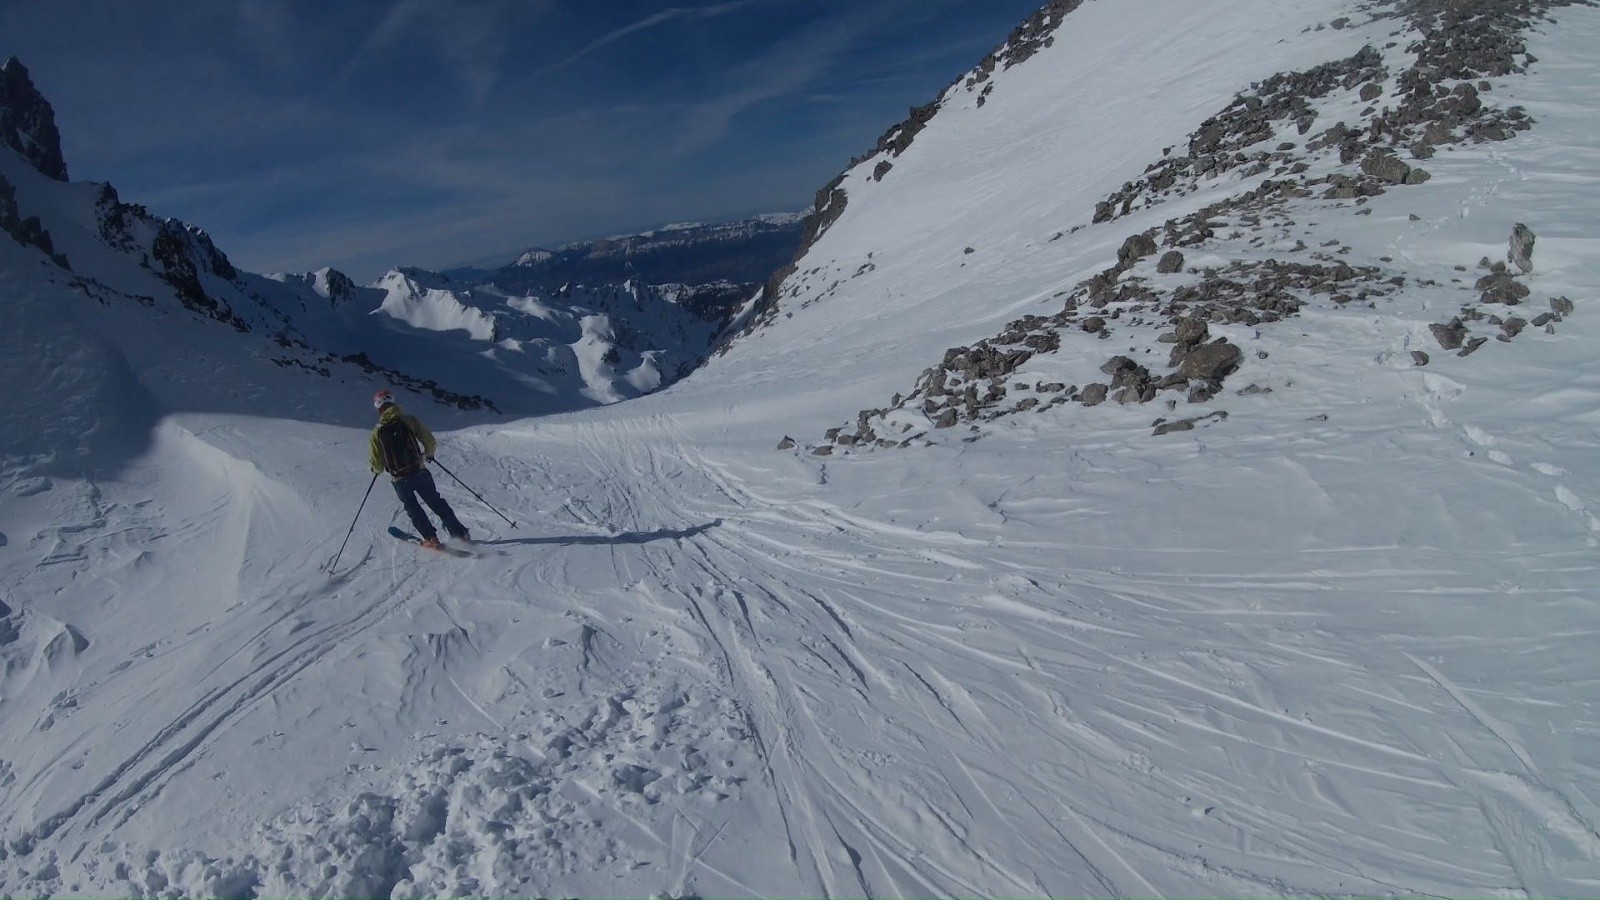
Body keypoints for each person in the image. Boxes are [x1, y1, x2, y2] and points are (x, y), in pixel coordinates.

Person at [368, 390, 469, 548]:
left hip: (399, 478)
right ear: (393, 402)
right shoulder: (409, 420)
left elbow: (377, 462)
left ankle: (431, 538)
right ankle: (460, 534)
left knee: (413, 508)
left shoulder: (377, 432)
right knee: (435, 501)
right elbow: (429, 440)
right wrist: (428, 454)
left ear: (378, 408)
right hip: (419, 471)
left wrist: (376, 469)